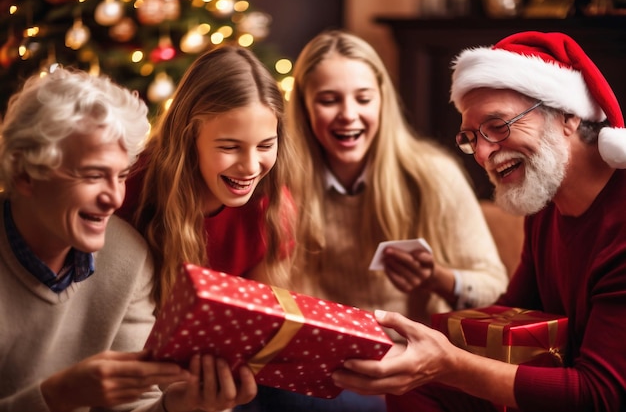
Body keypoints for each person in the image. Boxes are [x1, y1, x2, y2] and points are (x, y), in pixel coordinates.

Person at [331, 31, 626, 411]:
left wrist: (448, 364)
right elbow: (507, 315)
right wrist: (406, 339)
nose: (484, 153)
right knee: (409, 384)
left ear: (568, 115)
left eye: (498, 126)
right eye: (471, 137)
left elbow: (599, 395)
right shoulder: (547, 205)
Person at [238, 29, 509, 412]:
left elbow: (495, 288)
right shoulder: (278, 183)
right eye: (329, 100)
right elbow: (264, 298)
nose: (349, 114)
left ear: (382, 101)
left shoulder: (432, 175)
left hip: (401, 373)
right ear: (304, 107)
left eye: (363, 98)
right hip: (313, 366)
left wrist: (438, 278)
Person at [0, 66, 256, 411]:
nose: (115, 199)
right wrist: (56, 397)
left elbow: (136, 406)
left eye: (120, 176)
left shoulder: (126, 256)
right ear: (25, 175)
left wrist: (178, 405)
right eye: (92, 176)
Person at [116, 45, 298, 311]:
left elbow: (261, 320)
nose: (250, 167)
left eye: (265, 146)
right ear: (189, 139)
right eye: (230, 147)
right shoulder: (129, 191)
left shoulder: (272, 210)